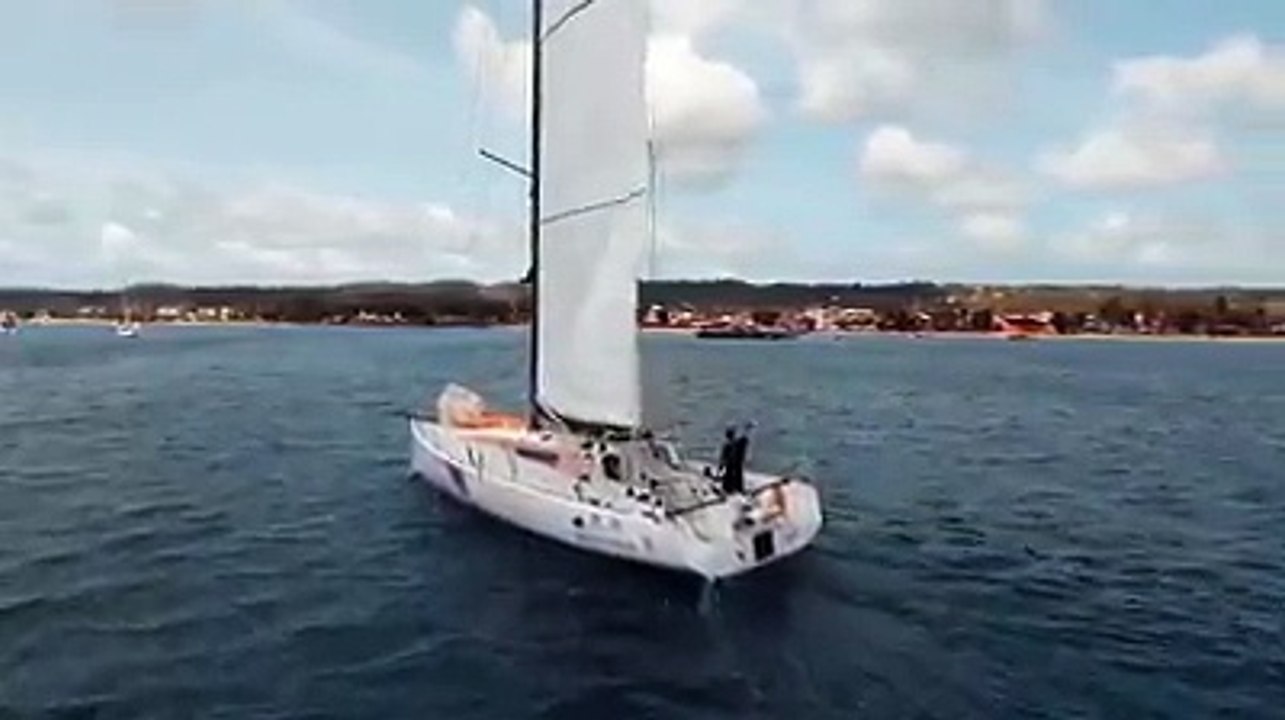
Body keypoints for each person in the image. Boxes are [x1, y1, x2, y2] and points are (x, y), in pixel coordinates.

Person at [719, 426, 747, 494]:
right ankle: (737, 488)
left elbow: (724, 456)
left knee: (729, 475)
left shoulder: (728, 444)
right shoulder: (735, 443)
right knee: (736, 475)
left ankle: (729, 489)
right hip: (735, 462)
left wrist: (721, 464)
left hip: (730, 463)